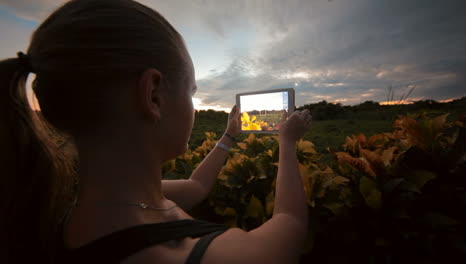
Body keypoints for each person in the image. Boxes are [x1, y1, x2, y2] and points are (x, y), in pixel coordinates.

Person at [0, 0, 313, 263]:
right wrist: (287, 143)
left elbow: (197, 186)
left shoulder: (62, 203)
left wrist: (228, 135)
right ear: (153, 95)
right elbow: (291, 223)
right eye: (190, 91)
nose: (192, 105)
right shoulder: (195, 256)